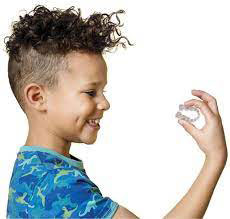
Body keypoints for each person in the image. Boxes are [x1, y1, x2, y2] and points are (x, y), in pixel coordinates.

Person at [4, 5, 227, 219]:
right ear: (37, 97)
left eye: (103, 91)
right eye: (91, 92)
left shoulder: (31, 166)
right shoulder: (56, 186)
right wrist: (215, 157)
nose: (105, 103)